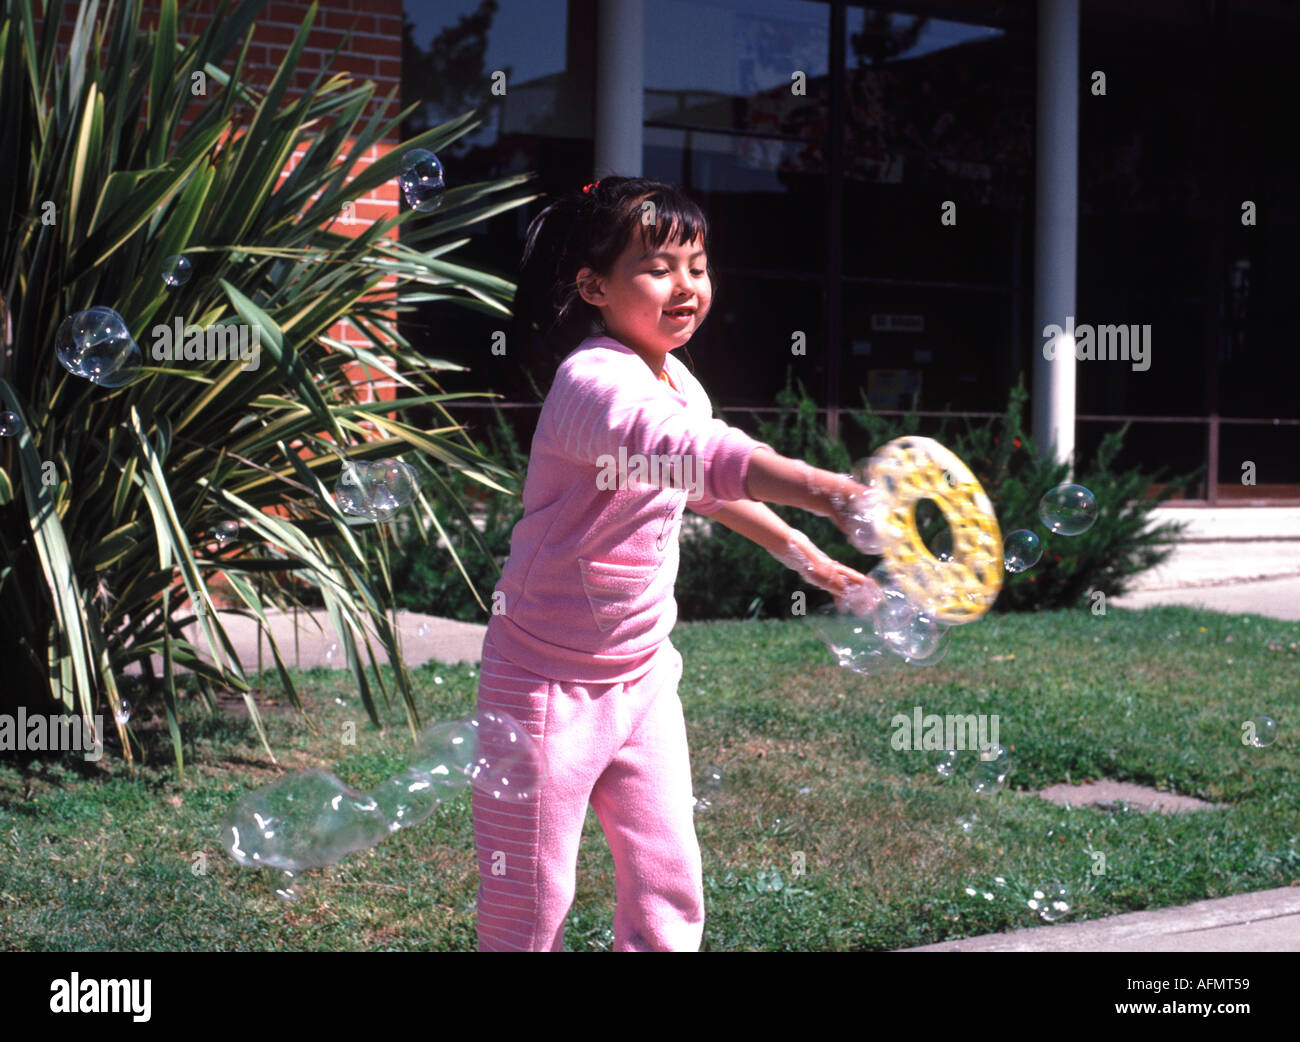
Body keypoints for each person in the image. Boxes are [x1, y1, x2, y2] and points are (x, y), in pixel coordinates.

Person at [473, 176, 883, 951]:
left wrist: (812, 561)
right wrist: (821, 487)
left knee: (669, 881)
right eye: (658, 267)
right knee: (530, 904)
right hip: (544, 686)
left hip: (643, 674)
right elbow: (693, 454)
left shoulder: (677, 382)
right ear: (594, 286)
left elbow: (704, 487)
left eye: (697, 265)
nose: (686, 286)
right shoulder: (591, 384)